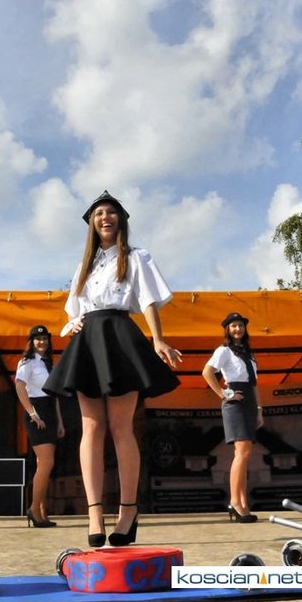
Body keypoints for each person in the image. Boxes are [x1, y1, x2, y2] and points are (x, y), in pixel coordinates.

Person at [43, 190, 181, 547]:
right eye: (99, 213)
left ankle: (128, 511)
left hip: (119, 338)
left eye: (111, 212)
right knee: (91, 427)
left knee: (121, 427)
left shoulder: (136, 257)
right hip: (88, 341)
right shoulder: (84, 266)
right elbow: (73, 309)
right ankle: (93, 513)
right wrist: (73, 324)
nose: (105, 217)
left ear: (121, 219)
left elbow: (148, 300)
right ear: (92, 223)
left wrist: (158, 339)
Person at [202, 312, 263, 523]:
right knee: (242, 452)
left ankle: (244, 503)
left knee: (245, 454)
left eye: (241, 326)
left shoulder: (249, 354)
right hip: (235, 403)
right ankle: (235, 502)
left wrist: (259, 409)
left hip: (250, 402)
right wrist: (224, 394)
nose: (238, 329)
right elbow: (207, 372)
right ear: (227, 329)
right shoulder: (223, 350)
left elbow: (254, 385)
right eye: (234, 325)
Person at [15, 325, 65, 528]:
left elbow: (55, 395)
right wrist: (32, 413)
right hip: (37, 411)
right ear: (31, 341)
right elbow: (19, 386)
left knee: (43, 464)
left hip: (50, 411)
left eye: (45, 338)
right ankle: (34, 509)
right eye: (38, 338)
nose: (42, 342)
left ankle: (42, 511)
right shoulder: (27, 362)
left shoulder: (49, 363)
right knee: (46, 463)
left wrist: (59, 421)